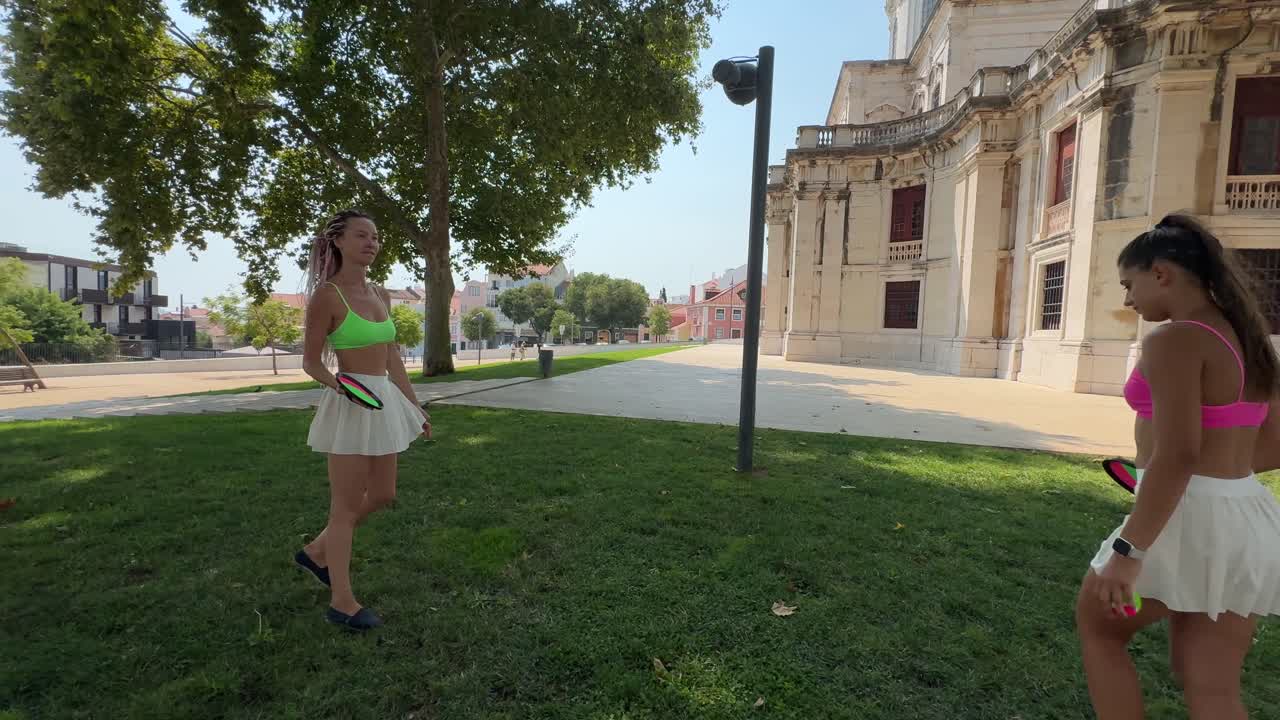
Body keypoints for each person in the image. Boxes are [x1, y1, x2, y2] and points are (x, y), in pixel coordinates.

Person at [1076, 214, 1280, 719]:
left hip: (1182, 520)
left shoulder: (1172, 341)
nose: (1128, 301)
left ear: (1161, 273)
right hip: (1246, 516)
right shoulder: (1249, 338)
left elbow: (1179, 452)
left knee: (1100, 630)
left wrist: (1129, 551)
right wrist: (1218, 473)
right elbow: (1274, 444)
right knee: (1211, 684)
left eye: (1130, 284)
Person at [293, 209, 431, 631]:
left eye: (375, 236)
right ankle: (342, 601)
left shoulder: (381, 293)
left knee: (385, 493)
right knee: (346, 505)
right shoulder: (327, 296)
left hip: (384, 401)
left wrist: (415, 406)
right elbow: (311, 363)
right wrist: (343, 388)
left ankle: (316, 552)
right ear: (338, 241)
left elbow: (392, 357)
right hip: (350, 404)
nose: (371, 242)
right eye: (361, 235)